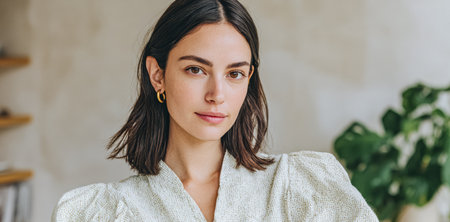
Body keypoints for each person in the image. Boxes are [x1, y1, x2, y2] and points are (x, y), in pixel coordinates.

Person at [52, 0, 378, 221]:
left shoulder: (299, 188)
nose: (217, 94)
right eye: (196, 69)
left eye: (234, 73)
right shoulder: (104, 212)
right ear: (157, 75)